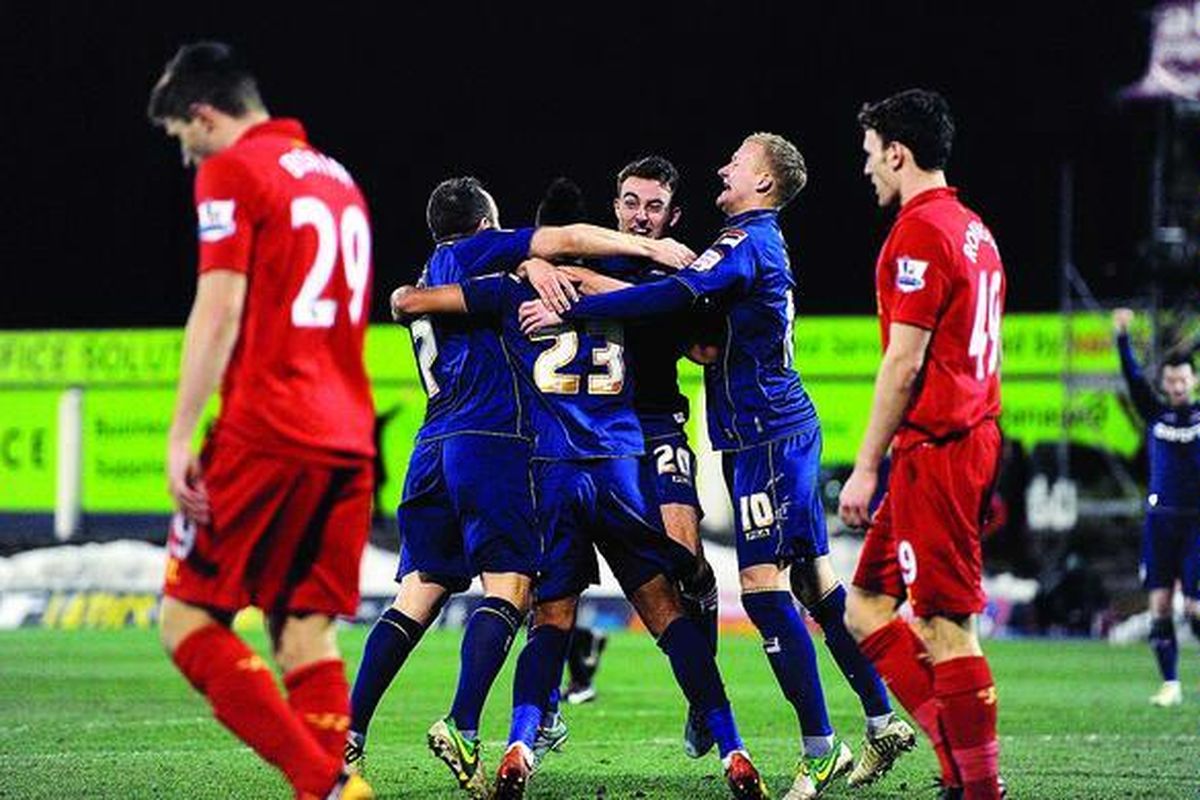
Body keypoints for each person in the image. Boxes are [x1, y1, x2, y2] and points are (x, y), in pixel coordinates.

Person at [519, 133, 913, 800]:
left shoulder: (743, 242)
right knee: (816, 586)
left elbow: (676, 297)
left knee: (761, 589)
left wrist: (580, 303)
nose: (723, 168)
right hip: (768, 429)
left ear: (763, 183)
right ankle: (879, 718)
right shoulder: (749, 241)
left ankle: (819, 747)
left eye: (737, 161)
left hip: (763, 434)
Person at [345, 176, 696, 797]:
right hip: (490, 440)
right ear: (487, 225)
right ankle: (462, 721)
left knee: (418, 594)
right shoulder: (481, 252)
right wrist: (650, 251)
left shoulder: (431, 271)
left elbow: (408, 303)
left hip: (431, 445)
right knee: (511, 586)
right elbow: (567, 237)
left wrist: (408, 296)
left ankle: (350, 734)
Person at [391, 265, 769, 799]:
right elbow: (676, 316)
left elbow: (428, 303)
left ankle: (519, 748)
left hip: (550, 472)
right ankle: (734, 750)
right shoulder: (623, 298)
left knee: (550, 618)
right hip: (619, 468)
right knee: (665, 611)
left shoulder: (518, 291)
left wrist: (514, 273)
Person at [149, 42, 375, 800]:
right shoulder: (340, 181)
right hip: (347, 438)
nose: (188, 159)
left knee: (185, 620)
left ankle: (331, 786)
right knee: (304, 630)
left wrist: (182, 434)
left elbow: (221, 304)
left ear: (204, 114)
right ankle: (328, 787)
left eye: (184, 139)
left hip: (268, 429)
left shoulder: (233, 169)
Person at [838, 89, 1006, 800]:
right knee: (866, 606)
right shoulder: (973, 228)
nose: (868, 169)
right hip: (961, 439)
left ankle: (981, 788)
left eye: (871, 155)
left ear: (898, 153)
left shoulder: (919, 232)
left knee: (943, 622)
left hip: (938, 446)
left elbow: (903, 364)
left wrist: (865, 466)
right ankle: (953, 758)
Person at [534, 156, 723, 764]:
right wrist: (546, 267)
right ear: (616, 206)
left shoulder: (690, 266)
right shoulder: (597, 255)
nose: (642, 217)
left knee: (685, 559)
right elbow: (531, 260)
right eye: (632, 203)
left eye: (654, 206)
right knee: (559, 577)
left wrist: (657, 291)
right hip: (590, 434)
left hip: (657, 424)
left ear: (673, 214)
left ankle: (703, 696)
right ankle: (545, 706)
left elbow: (705, 348)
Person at [1113, 308, 1200, 707]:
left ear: (1194, 380)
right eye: (1172, 380)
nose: (1178, 385)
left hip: (1196, 522)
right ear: (1165, 384)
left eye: (1183, 379)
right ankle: (1170, 684)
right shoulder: (1156, 412)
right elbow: (1132, 381)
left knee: (1195, 607)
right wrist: (1122, 339)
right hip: (1160, 521)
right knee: (1160, 605)